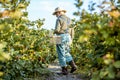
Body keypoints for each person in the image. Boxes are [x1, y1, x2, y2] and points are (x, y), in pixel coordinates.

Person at [52, 7, 77, 75]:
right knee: (66, 52)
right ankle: (73, 66)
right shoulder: (69, 19)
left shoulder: (59, 19)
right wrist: (71, 38)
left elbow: (57, 30)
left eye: (56, 14)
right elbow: (72, 30)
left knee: (61, 53)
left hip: (60, 36)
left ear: (59, 12)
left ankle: (64, 70)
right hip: (68, 37)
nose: (56, 15)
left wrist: (53, 33)